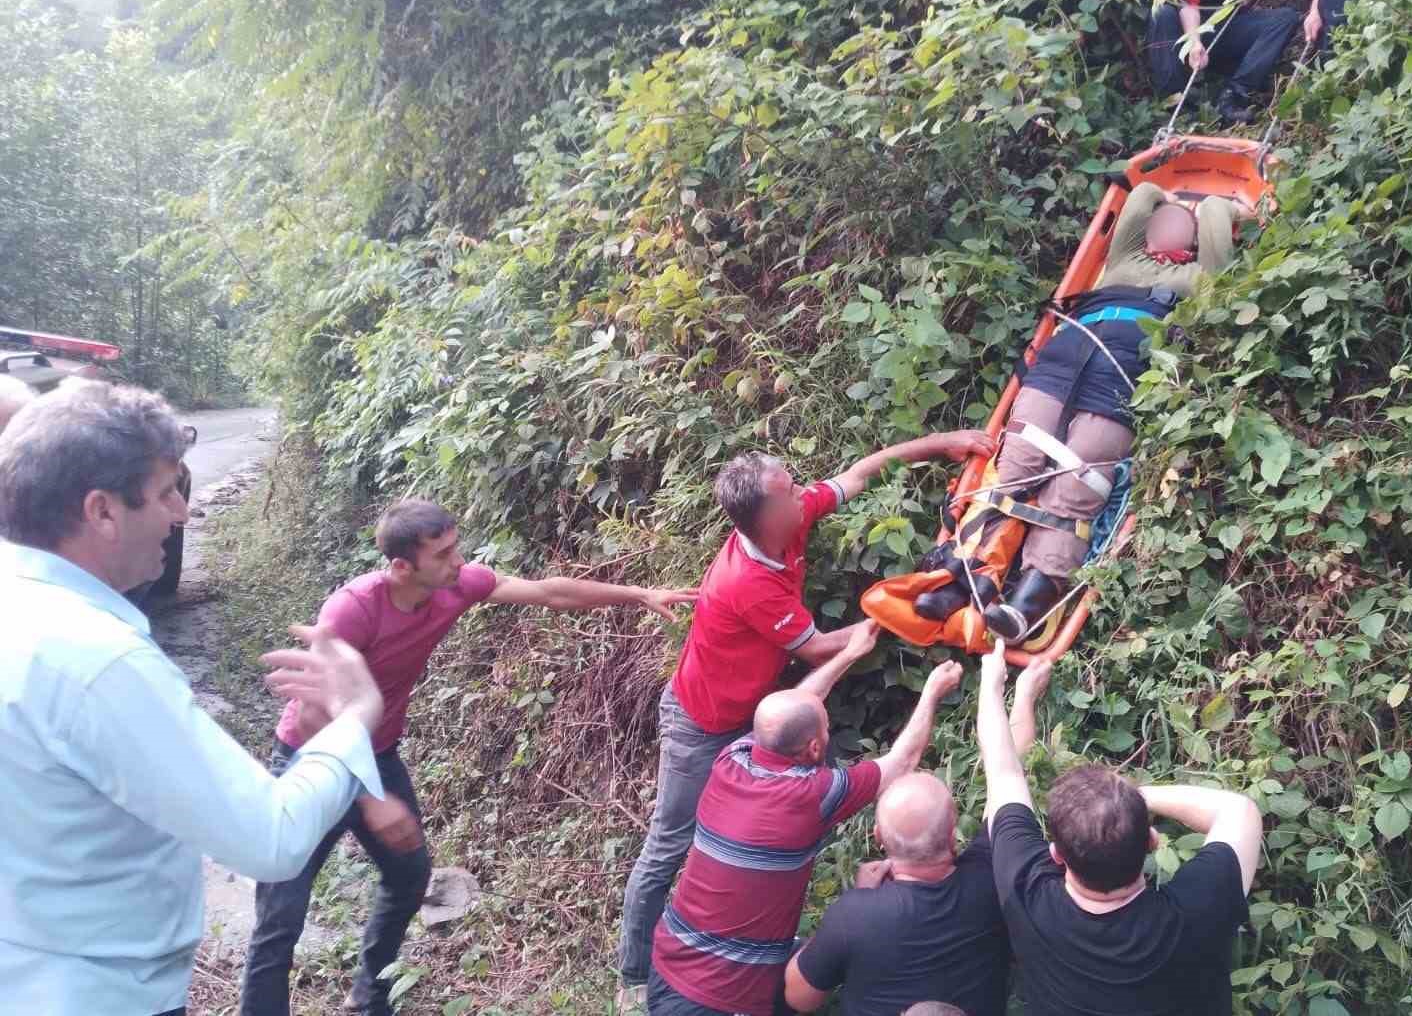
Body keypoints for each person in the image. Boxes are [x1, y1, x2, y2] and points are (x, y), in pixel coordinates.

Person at [0, 381, 388, 1016]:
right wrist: (354, 718)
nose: (182, 513)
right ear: (100, 511)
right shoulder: (98, 660)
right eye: (164, 494)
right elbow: (270, 838)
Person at [239, 498, 696, 1016]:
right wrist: (372, 800)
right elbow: (311, 716)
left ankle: (369, 997)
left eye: (457, 548)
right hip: (310, 761)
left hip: (379, 754)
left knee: (410, 876)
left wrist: (639, 593)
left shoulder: (458, 585)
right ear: (401, 566)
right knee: (280, 916)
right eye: (444, 554)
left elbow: (549, 592)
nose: (459, 562)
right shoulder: (354, 609)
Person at [616, 430, 995, 1009]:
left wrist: (944, 442)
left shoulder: (786, 519)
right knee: (670, 843)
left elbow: (861, 469)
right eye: (790, 493)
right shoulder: (748, 583)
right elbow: (821, 650)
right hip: (703, 722)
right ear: (765, 516)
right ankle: (632, 975)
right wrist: (898, 613)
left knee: (737, 833)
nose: (804, 496)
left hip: (761, 717)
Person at [915, 182, 1247, 643]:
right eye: (1162, 220)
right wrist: (1167, 207)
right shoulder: (1123, 261)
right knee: (1017, 465)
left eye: (1183, 226)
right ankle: (967, 577)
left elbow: (1214, 215)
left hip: (1130, 372)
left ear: (1195, 241)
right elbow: (1144, 192)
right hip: (1062, 360)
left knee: (1078, 482)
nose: (1170, 223)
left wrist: (1217, 205)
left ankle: (1032, 595)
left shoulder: (1201, 277)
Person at [647, 642, 965, 1016]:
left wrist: (848, 653)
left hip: (668, 963)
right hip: (723, 998)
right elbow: (903, 761)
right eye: (827, 728)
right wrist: (931, 693)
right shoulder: (810, 795)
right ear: (814, 748)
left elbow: (791, 710)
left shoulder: (732, 759)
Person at [976, 643, 1264, 1014]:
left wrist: (991, 684)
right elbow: (1238, 810)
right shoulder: (1196, 913)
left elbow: (1003, 771)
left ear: (1056, 855)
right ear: (1151, 841)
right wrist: (1129, 799)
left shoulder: (1025, 892)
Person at [783, 660, 1051, 1016]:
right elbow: (1008, 773)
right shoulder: (993, 878)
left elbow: (798, 998)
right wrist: (1023, 698)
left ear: (879, 837)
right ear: (953, 829)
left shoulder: (855, 914)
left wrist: (859, 898)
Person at [1147, 0, 1300, 124]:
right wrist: (1194, 42)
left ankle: (1233, 97)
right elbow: (1187, 2)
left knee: (1284, 19)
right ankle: (1177, 108)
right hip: (1188, 27)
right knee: (1161, 14)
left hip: (1227, 22)